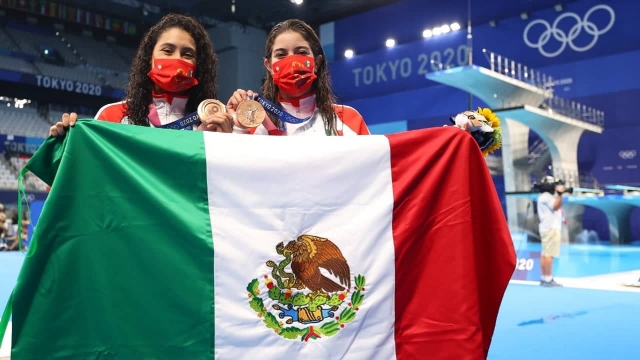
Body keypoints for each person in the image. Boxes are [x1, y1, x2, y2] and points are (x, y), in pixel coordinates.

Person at [49, 13, 234, 137]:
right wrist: (64, 148)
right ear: (149, 58)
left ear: (198, 66)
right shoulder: (112, 116)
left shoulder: (212, 122)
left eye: (187, 54)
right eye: (167, 51)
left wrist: (225, 145)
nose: (177, 61)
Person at [227, 19, 369, 136]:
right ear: (269, 65)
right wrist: (239, 126)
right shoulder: (253, 121)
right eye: (281, 55)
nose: (292, 63)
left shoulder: (349, 120)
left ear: (317, 62)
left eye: (301, 52)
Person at [536, 176, 565, 287]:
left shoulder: (543, 196)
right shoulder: (547, 197)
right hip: (551, 229)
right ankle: (548, 279)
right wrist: (560, 195)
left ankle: (544, 277)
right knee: (549, 254)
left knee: (545, 253)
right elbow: (556, 206)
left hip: (546, 228)